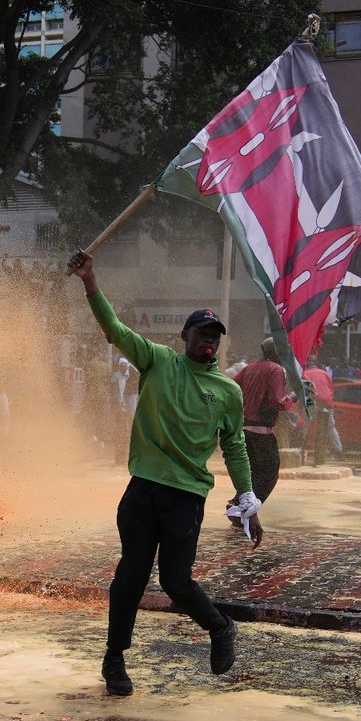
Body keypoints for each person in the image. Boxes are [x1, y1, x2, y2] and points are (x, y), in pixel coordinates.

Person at [67, 250, 252, 696]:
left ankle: (219, 626)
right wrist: (90, 280)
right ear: (184, 336)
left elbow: (234, 444)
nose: (208, 341)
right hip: (143, 489)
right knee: (130, 575)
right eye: (201, 333)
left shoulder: (227, 391)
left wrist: (248, 497)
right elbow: (114, 329)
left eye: (214, 336)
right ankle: (114, 659)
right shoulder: (157, 361)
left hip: (186, 497)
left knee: (175, 581)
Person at [232, 338, 295, 510]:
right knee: (268, 474)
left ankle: (237, 504)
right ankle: (243, 508)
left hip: (244, 430)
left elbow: (232, 389)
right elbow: (277, 401)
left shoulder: (249, 368)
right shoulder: (276, 369)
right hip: (262, 432)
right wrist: (293, 398)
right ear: (277, 353)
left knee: (253, 472)